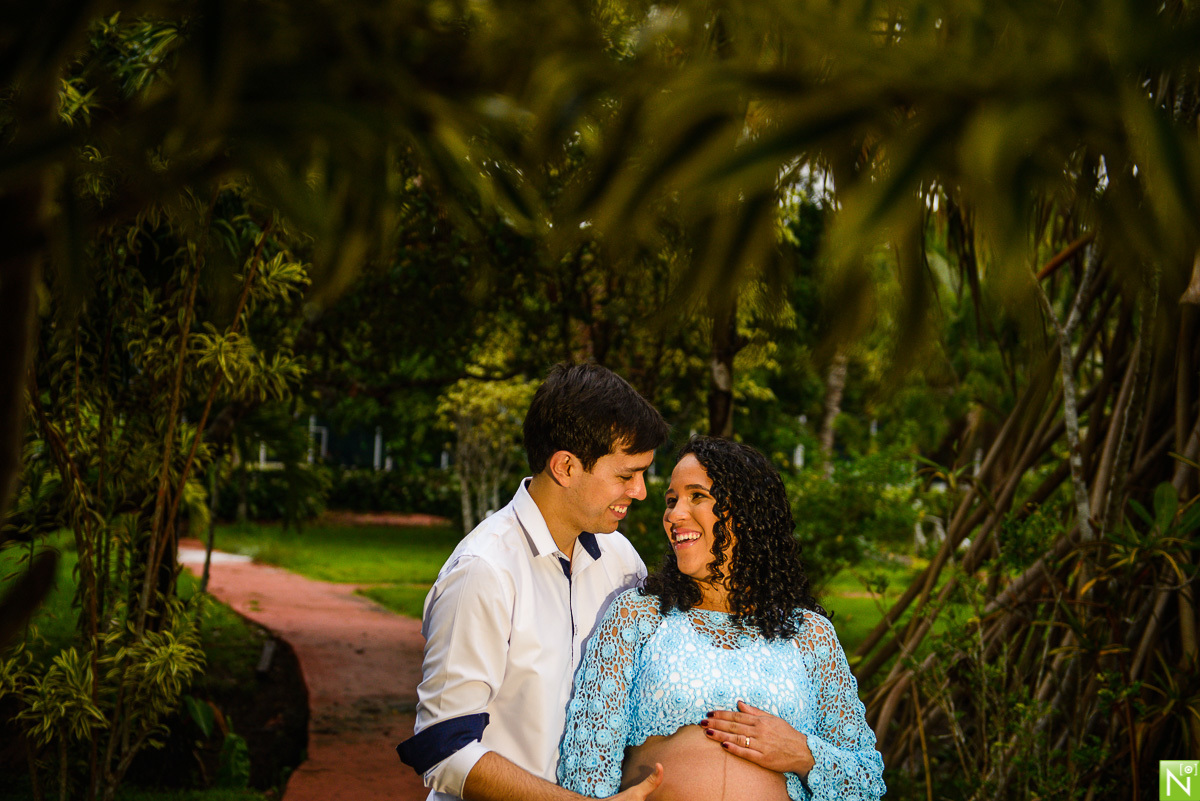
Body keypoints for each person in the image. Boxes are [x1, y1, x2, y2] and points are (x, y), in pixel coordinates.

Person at [397, 363, 671, 801]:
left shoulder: (622, 561)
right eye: (625, 475)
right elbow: (444, 750)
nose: (640, 491)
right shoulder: (483, 571)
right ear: (565, 466)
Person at [558, 436, 886, 801]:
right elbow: (587, 765)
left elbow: (866, 783)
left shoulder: (810, 635)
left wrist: (803, 753)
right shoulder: (636, 617)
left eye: (697, 496)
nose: (674, 514)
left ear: (746, 514)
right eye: (671, 500)